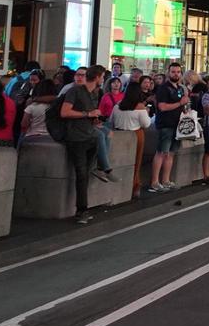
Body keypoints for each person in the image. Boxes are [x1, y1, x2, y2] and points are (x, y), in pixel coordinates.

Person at [58, 66, 105, 224]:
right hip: (76, 137)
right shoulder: (75, 91)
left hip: (89, 136)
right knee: (81, 173)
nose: (103, 79)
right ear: (97, 77)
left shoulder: (94, 93)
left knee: (85, 173)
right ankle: (81, 209)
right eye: (103, 76)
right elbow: (64, 112)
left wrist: (95, 118)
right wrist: (88, 114)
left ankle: (84, 207)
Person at [147, 62, 187, 193]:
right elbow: (162, 107)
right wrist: (179, 103)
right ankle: (154, 182)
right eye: (173, 72)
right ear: (168, 73)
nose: (176, 74)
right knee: (161, 153)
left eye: (178, 72)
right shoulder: (164, 88)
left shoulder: (180, 88)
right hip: (166, 124)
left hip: (177, 124)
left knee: (170, 153)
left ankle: (166, 180)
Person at [111, 84, 152, 198]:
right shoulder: (140, 107)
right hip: (135, 135)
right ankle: (134, 185)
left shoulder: (117, 105)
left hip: (119, 134)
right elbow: (146, 124)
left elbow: (111, 121)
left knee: (119, 161)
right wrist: (147, 112)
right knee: (136, 162)